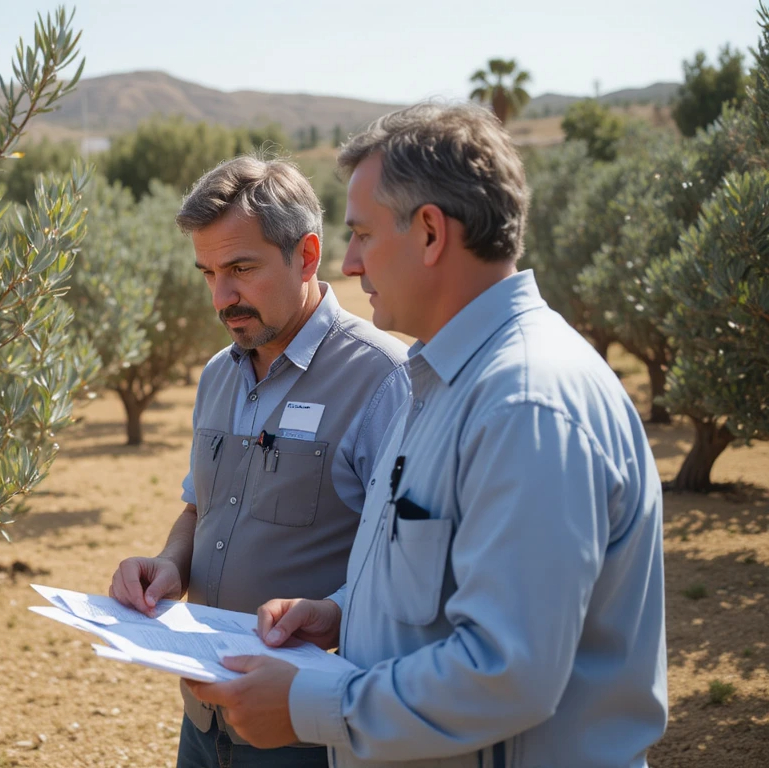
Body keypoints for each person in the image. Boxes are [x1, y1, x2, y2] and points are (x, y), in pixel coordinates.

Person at [184, 103, 667, 768]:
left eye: (361, 235)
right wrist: (340, 614)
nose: (349, 264)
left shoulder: (524, 404)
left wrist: (307, 707)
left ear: (432, 233)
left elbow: (507, 672)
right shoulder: (443, 381)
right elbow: (437, 581)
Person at [107, 156, 411, 768]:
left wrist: (336, 614)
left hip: (304, 731)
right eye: (208, 273)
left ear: (306, 254)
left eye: (241, 269)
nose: (222, 297)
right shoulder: (219, 375)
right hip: (203, 721)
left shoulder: (384, 379)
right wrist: (169, 565)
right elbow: (202, 505)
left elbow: (409, 564)